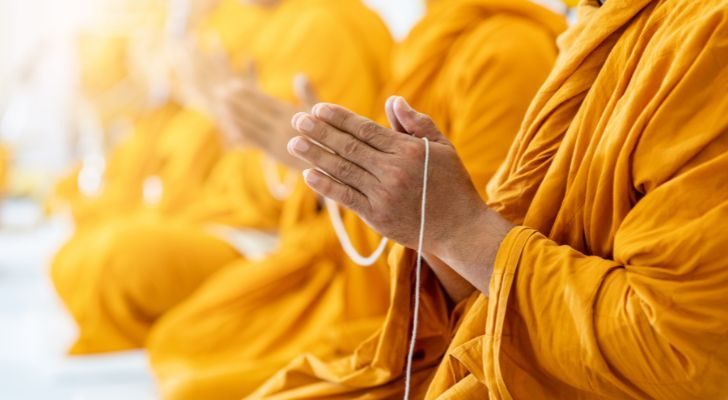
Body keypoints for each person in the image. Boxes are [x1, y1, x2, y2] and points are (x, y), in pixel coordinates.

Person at [289, 0, 728, 398]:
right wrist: (427, 224)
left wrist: (458, 230)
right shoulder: (594, 27)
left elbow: (689, 351)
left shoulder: (708, 35)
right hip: (473, 349)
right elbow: (483, 275)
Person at [146, 1, 565, 399]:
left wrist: (319, 166)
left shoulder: (507, 49)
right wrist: (306, 160)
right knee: (179, 339)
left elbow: (478, 245)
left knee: (184, 369)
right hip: (349, 260)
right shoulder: (425, 41)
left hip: (423, 309)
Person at [50, 0, 393, 357]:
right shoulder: (243, 23)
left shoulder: (322, 25)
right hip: (220, 215)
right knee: (75, 256)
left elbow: (326, 189)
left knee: (113, 262)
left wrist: (225, 115)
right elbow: (212, 151)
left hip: (278, 241)